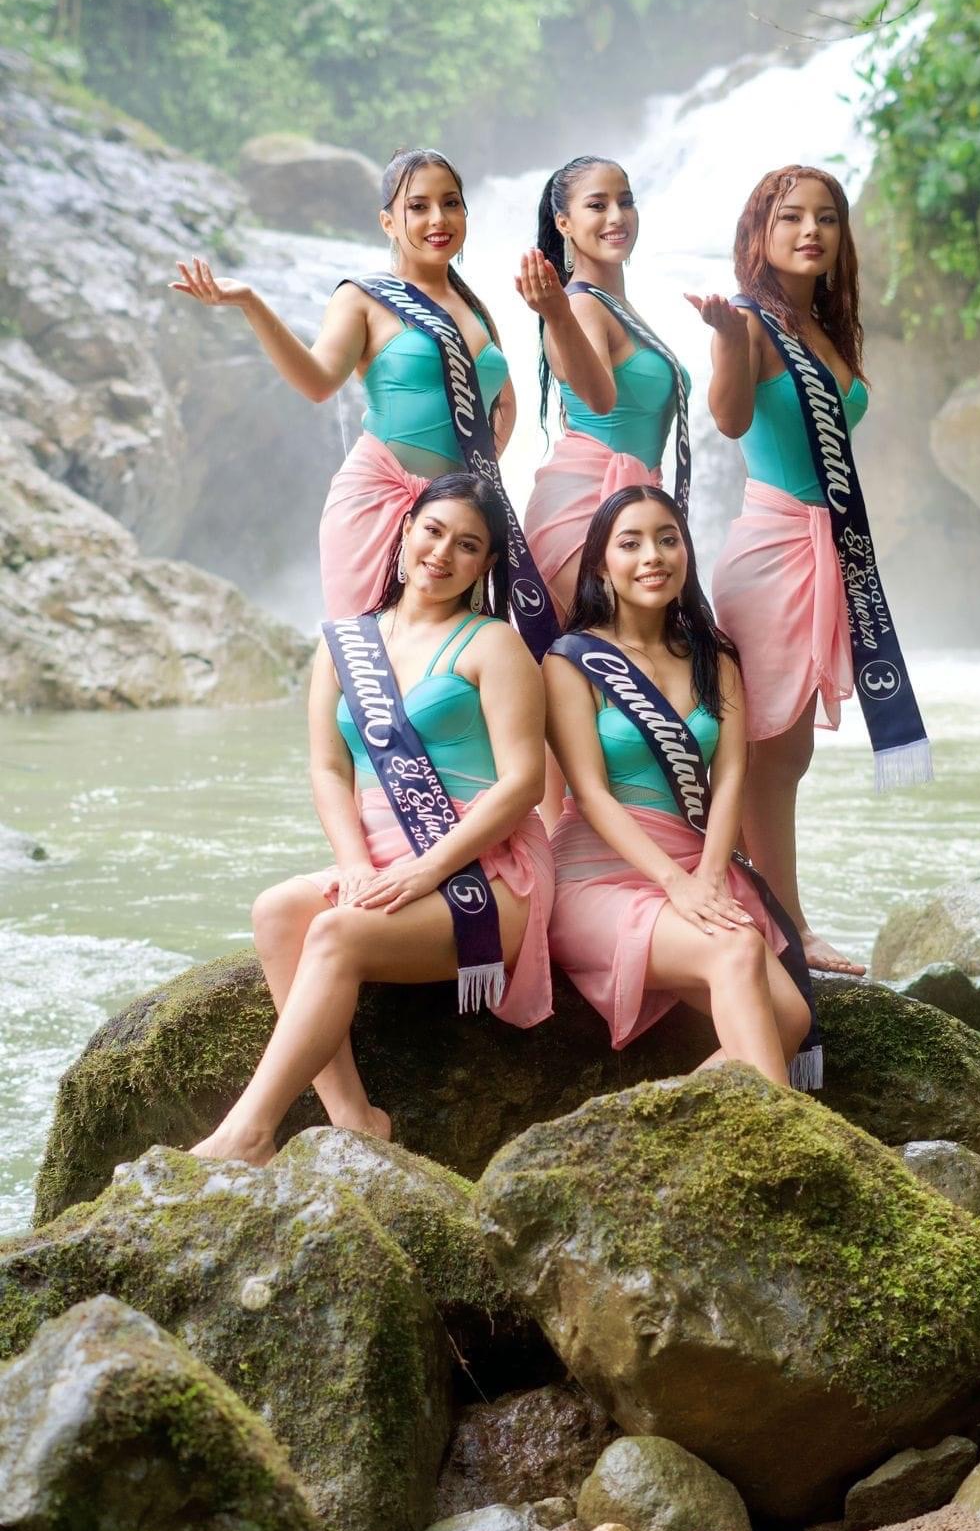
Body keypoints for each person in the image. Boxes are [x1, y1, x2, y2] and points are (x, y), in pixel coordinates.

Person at [191, 474, 553, 1164]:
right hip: (383, 858)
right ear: (407, 529)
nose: (442, 553)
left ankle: (248, 1133)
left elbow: (523, 785)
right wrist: (355, 865)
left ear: (485, 563)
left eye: (467, 544)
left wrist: (426, 870)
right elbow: (329, 770)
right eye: (433, 531)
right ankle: (355, 1120)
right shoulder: (344, 645)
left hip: (486, 871)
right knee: (277, 911)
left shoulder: (493, 645)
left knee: (334, 934)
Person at [688, 165, 910, 977]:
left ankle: (764, 910)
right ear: (759, 231)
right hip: (774, 549)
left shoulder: (824, 327)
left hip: (826, 549)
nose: (811, 230)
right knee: (766, 751)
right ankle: (789, 929)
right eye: (790, 217)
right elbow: (729, 418)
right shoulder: (750, 321)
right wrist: (724, 340)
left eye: (826, 217)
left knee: (786, 754)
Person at [171, 148, 516, 618]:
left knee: (441, 651)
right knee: (368, 651)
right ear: (388, 222)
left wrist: (472, 488)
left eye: (451, 203)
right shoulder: (363, 298)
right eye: (418, 206)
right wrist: (252, 303)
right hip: (379, 501)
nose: (438, 218)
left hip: (451, 523)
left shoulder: (474, 306)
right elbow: (317, 382)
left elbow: (504, 403)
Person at [545, 485, 813, 1088]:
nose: (653, 557)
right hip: (598, 874)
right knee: (735, 951)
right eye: (631, 543)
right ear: (600, 565)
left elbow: (732, 774)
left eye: (668, 540)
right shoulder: (569, 662)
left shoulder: (714, 658)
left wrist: (711, 875)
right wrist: (676, 884)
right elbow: (590, 794)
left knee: (791, 1019)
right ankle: (783, 1139)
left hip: (697, 866)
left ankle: (660, 1125)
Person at [518, 155, 692, 623]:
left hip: (636, 503)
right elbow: (600, 398)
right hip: (586, 504)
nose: (617, 216)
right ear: (564, 223)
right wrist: (556, 314)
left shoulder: (615, 305)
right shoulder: (579, 306)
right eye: (598, 205)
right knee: (616, 651)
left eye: (626, 202)